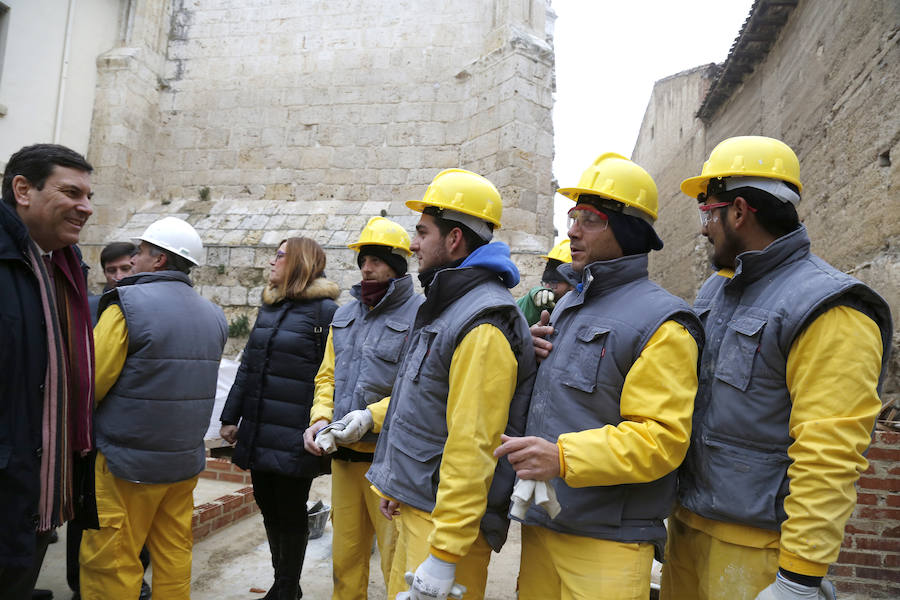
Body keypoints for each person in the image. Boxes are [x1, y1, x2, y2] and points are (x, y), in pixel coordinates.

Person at [659, 136, 892, 600]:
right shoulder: (715, 294)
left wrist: (799, 579)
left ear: (740, 211)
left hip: (760, 552)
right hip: (687, 531)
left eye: (709, 212)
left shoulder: (830, 308)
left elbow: (830, 454)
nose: (704, 228)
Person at [494, 153, 703, 599]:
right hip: (545, 523)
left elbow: (661, 439)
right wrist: (526, 356)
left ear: (627, 230)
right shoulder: (570, 305)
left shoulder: (663, 321)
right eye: (573, 216)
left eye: (590, 219)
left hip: (609, 542)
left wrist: (563, 458)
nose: (572, 230)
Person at [336, 169, 537, 600]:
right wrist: (397, 482)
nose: (413, 245)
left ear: (454, 240)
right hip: (420, 506)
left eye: (422, 233)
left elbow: (473, 447)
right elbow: (420, 402)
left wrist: (445, 555)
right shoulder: (448, 306)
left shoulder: (481, 322)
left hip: (445, 527)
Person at [80, 216, 227, 599]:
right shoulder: (213, 316)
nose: (134, 260)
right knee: (174, 553)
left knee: (111, 560)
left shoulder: (126, 305)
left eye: (140, 253)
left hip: (124, 464)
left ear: (159, 260)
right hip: (181, 465)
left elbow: (88, 383)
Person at [302, 217, 423, 600]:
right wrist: (320, 418)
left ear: (398, 265)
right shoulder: (345, 314)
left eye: (376, 259)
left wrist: (372, 416)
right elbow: (327, 377)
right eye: (363, 259)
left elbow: (420, 389)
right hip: (344, 461)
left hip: (388, 464)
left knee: (394, 561)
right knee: (346, 558)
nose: (366, 267)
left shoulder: (421, 315)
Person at [0, 144, 96, 600]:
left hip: (42, 491)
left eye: (88, 195)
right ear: (23, 189)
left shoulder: (64, 265)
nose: (86, 207)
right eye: (71, 192)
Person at [220, 237, 339, 600]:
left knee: (289, 510)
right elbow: (248, 366)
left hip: (294, 433)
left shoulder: (325, 313)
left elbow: (331, 375)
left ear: (299, 262)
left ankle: (287, 587)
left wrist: (320, 424)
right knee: (267, 505)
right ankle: (282, 580)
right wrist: (231, 417)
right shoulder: (269, 307)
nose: (272, 261)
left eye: (280, 255)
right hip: (258, 426)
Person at [515, 239, 577, 325]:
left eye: (553, 282)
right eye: (545, 282)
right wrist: (531, 303)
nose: (547, 287)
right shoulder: (541, 304)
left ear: (573, 283)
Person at [87, 241, 136, 325]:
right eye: (111, 270)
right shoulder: (89, 309)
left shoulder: (150, 306)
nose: (119, 277)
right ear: (104, 273)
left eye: (125, 268)